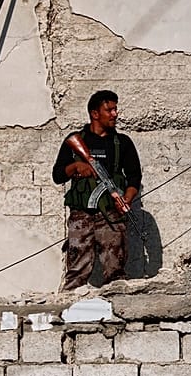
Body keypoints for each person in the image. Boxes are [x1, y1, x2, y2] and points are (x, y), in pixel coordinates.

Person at [52, 89, 142, 290]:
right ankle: (69, 312)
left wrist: (126, 198)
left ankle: (118, 313)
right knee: (76, 271)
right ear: (95, 113)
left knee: (115, 272)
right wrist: (75, 167)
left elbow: (134, 177)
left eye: (115, 109)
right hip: (81, 214)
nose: (115, 114)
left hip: (111, 215)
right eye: (109, 110)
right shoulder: (76, 140)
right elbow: (57, 175)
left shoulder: (122, 143)